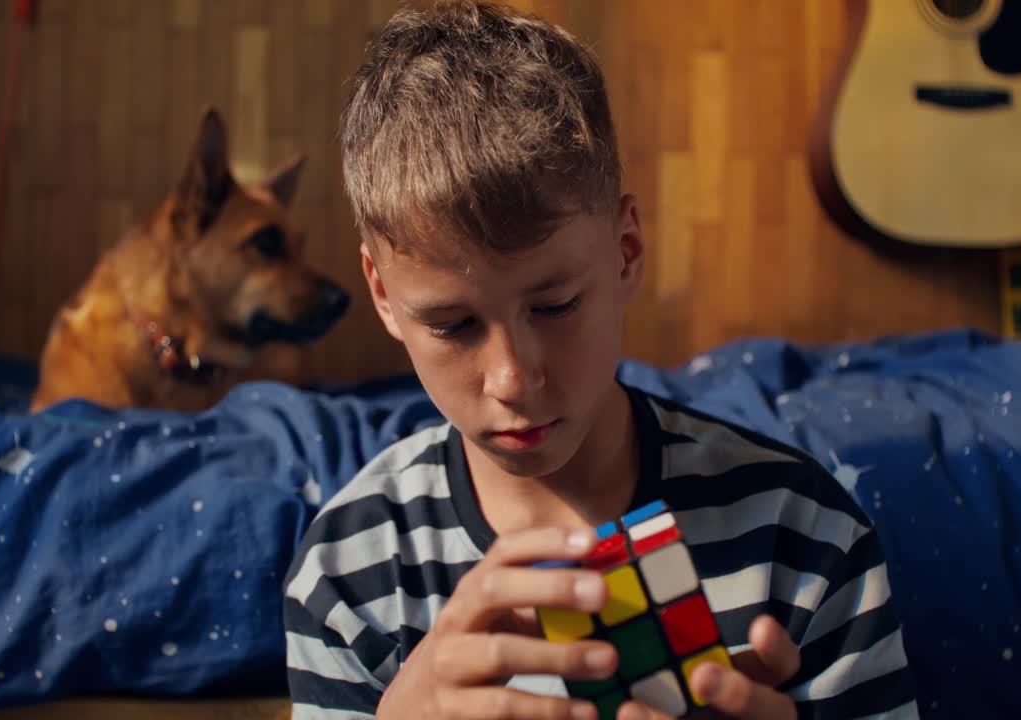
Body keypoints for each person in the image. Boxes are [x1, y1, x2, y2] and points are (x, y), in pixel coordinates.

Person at [283, 2, 917, 718]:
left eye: (554, 306)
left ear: (626, 253)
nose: (514, 379)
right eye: (455, 324)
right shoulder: (345, 575)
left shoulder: (804, 538)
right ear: (383, 296)